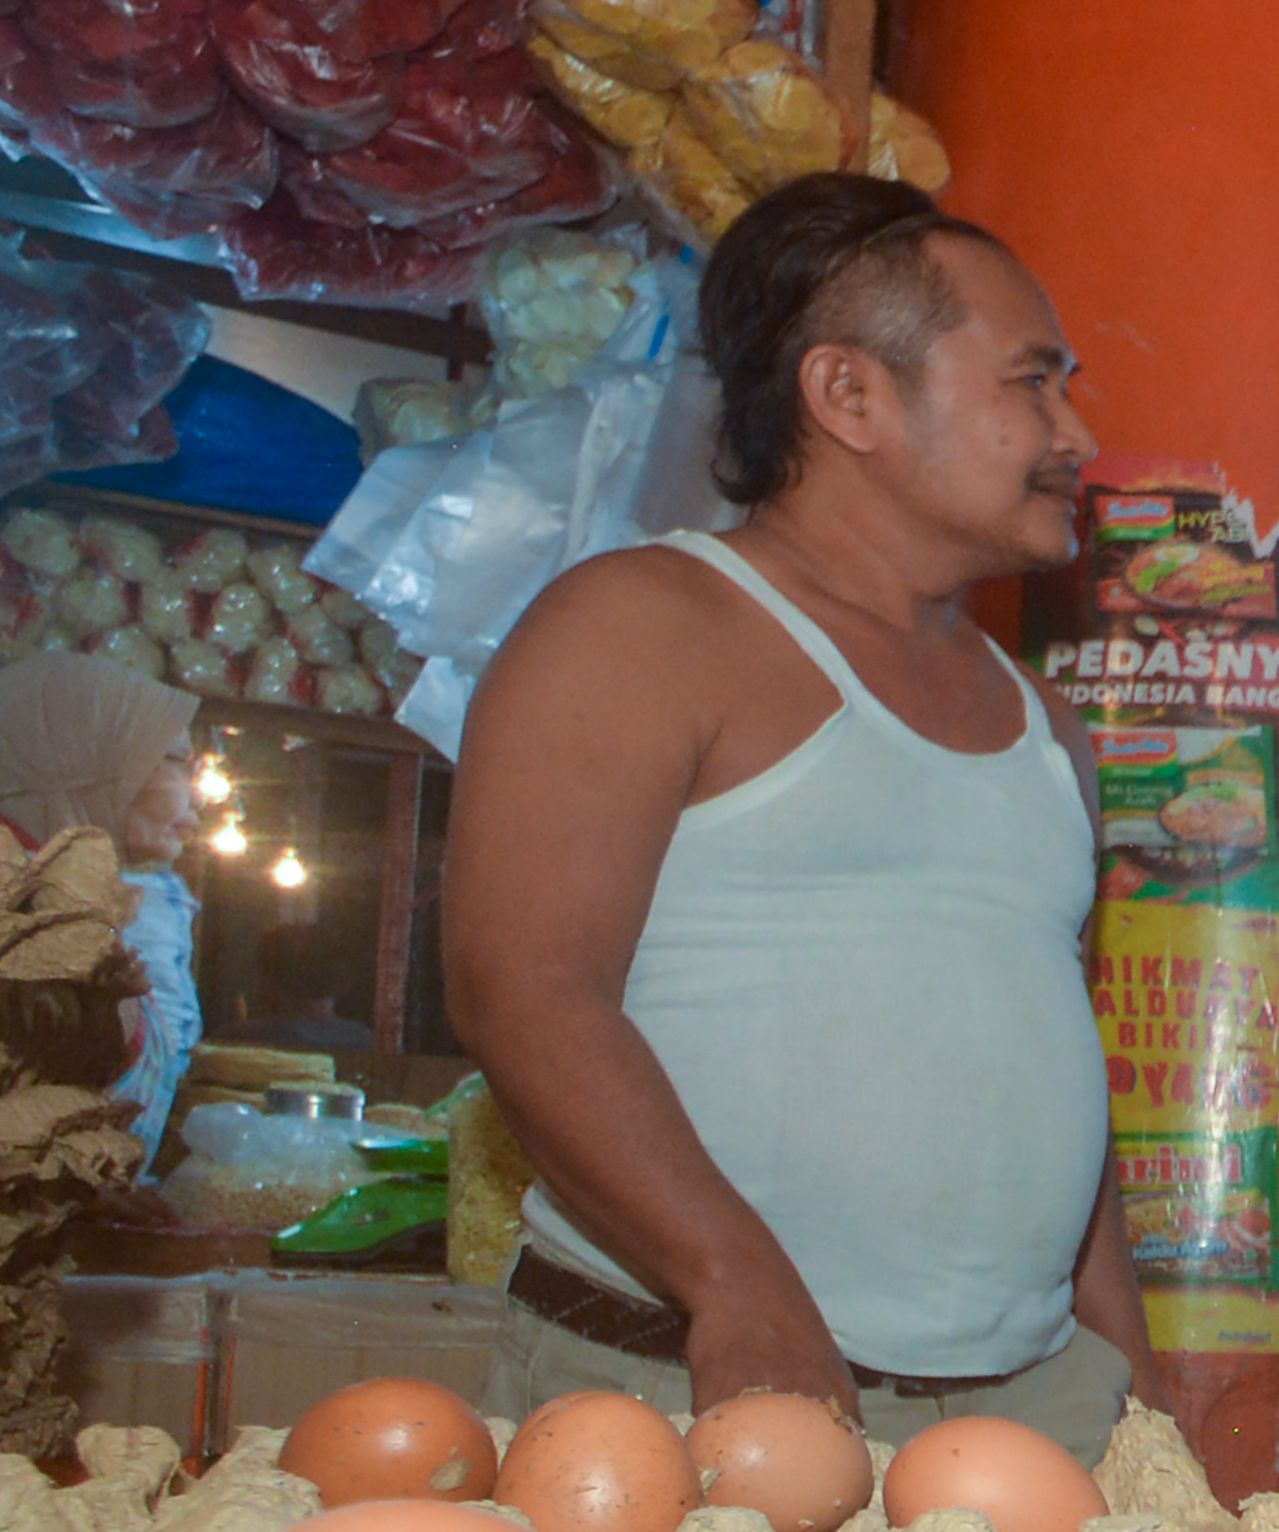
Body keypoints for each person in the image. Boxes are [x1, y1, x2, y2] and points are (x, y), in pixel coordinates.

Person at [444, 175, 1164, 1451]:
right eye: (1030, 382)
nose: (1075, 433)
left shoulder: (1049, 731)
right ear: (849, 397)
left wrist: (1131, 1385)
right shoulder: (640, 628)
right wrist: (736, 1282)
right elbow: (525, 994)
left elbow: (1052, 1091)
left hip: (1030, 1415)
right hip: (697, 1378)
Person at [0, 650, 205, 1160]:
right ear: (93, 762)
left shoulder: (82, 906)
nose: (198, 803)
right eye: (178, 762)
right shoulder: (2, 905)